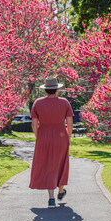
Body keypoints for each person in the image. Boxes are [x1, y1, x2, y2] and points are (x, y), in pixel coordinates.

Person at [29, 77, 73, 208]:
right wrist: (68, 137)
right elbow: (69, 124)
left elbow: (34, 124)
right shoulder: (64, 103)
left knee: (48, 166)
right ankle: (60, 190)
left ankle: (51, 199)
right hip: (61, 137)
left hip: (43, 137)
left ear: (46, 91)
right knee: (62, 164)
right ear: (57, 90)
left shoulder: (38, 103)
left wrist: (39, 137)